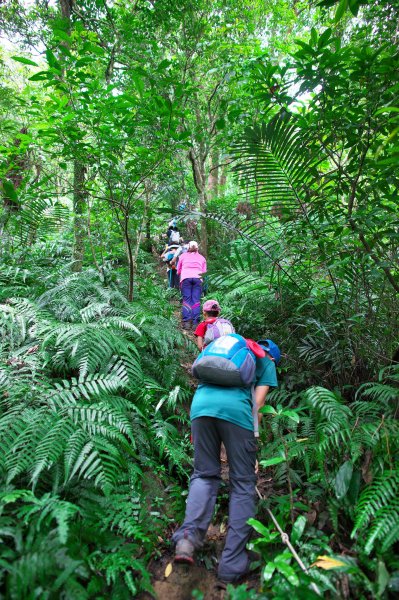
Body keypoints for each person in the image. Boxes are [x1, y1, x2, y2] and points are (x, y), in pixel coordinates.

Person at [171, 340, 278, 583]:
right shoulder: (267, 362)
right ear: (274, 357)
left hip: (200, 407)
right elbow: (257, 405)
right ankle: (232, 563)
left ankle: (187, 539)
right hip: (235, 412)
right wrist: (252, 447)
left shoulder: (232, 349)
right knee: (242, 484)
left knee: (204, 474)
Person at [176, 241, 207, 330]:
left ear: (188, 248)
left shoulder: (182, 256)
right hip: (198, 279)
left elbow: (178, 270)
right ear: (197, 248)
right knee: (196, 300)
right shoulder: (202, 258)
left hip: (186, 279)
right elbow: (204, 272)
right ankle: (195, 323)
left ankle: (186, 322)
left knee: (187, 300)